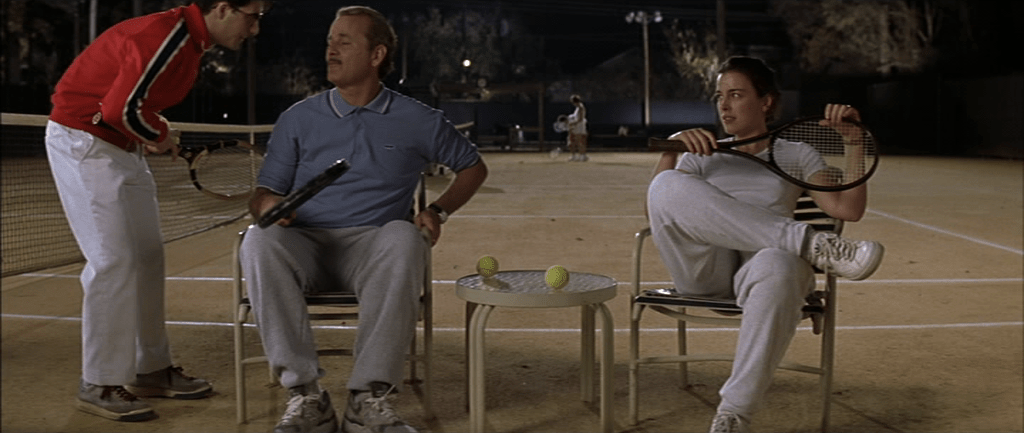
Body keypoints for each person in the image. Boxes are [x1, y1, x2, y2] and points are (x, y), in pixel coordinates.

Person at [240, 6, 488, 433]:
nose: (331, 50)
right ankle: (306, 396)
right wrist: (267, 207)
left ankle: (367, 399)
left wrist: (437, 210)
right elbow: (263, 194)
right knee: (257, 239)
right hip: (305, 245)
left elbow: (473, 167)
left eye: (344, 41)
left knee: (405, 237)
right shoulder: (297, 118)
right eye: (329, 41)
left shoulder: (419, 119)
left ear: (376, 55)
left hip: (374, 250)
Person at [44, 0, 269, 422]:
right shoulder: (167, 37)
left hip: (120, 146)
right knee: (113, 262)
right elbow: (118, 109)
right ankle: (99, 382)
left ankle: (149, 368)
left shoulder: (190, 43)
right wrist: (157, 134)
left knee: (147, 257)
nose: (254, 28)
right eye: (252, 16)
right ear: (223, 8)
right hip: (83, 143)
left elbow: (131, 103)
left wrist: (152, 131)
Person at [646, 56, 884, 433]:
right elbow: (660, 211)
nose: (724, 106)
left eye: (736, 95)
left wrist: (854, 142)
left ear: (766, 101)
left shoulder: (796, 154)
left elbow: (848, 209)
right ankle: (813, 245)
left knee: (782, 262)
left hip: (764, 275)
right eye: (719, 96)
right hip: (704, 272)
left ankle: (733, 415)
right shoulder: (700, 154)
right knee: (663, 184)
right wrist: (671, 152)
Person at [566, 94, 589, 161]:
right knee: (573, 141)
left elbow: (580, 119)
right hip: (576, 127)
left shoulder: (581, 107)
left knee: (580, 141)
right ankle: (575, 156)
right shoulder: (578, 108)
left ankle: (583, 156)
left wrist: (572, 123)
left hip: (580, 127)